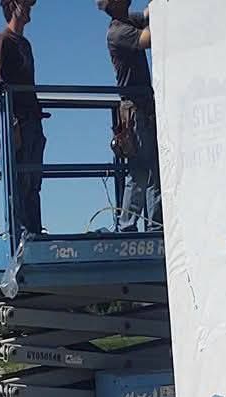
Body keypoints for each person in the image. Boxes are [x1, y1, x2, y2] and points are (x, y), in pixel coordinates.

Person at [96, 0, 160, 232]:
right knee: (142, 169)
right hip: (135, 110)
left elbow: (146, 15)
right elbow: (148, 38)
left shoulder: (127, 21)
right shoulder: (118, 32)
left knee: (151, 169)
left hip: (141, 107)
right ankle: (131, 225)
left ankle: (153, 225)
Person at [0, 0, 45, 238]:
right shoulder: (3, 39)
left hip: (32, 117)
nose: (30, 8)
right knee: (20, 177)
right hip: (17, 119)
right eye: (25, 3)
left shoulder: (25, 43)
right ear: (13, 6)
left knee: (34, 178)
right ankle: (20, 230)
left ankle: (34, 227)